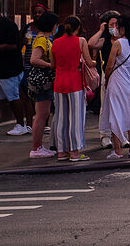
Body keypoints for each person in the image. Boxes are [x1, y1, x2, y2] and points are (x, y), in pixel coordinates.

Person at [51, 16, 96, 162]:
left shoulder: (55, 42)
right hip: (75, 83)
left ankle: (61, 152)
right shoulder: (81, 41)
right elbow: (89, 62)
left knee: (61, 118)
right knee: (76, 118)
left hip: (59, 83)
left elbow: (53, 65)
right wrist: (97, 61)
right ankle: (75, 152)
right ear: (78, 28)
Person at [103, 15, 130, 158]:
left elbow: (109, 66)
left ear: (123, 28)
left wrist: (107, 79)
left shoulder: (118, 43)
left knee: (116, 115)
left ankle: (117, 150)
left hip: (118, 83)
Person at [0, 5, 26, 136]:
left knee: (13, 97)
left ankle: (21, 124)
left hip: (7, 69)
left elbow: (12, 45)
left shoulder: (8, 25)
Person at [27, 12, 59, 158]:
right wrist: (50, 65)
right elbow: (34, 59)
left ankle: (38, 146)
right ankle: (36, 148)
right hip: (42, 81)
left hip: (43, 81)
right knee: (41, 115)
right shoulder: (41, 40)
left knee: (43, 114)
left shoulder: (45, 39)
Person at [88, 10, 121, 148]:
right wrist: (101, 30)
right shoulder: (105, 40)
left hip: (122, 77)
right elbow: (91, 43)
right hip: (107, 76)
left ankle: (120, 135)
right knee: (105, 106)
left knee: (121, 106)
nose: (114, 27)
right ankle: (105, 135)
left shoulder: (125, 40)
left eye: (116, 24)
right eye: (111, 24)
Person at [17, 2, 50, 136]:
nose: (37, 15)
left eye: (40, 12)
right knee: (29, 97)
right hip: (28, 67)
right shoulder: (28, 28)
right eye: (35, 12)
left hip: (45, 68)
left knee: (44, 98)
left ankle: (45, 124)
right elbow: (18, 46)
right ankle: (29, 124)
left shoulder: (51, 29)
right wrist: (22, 42)